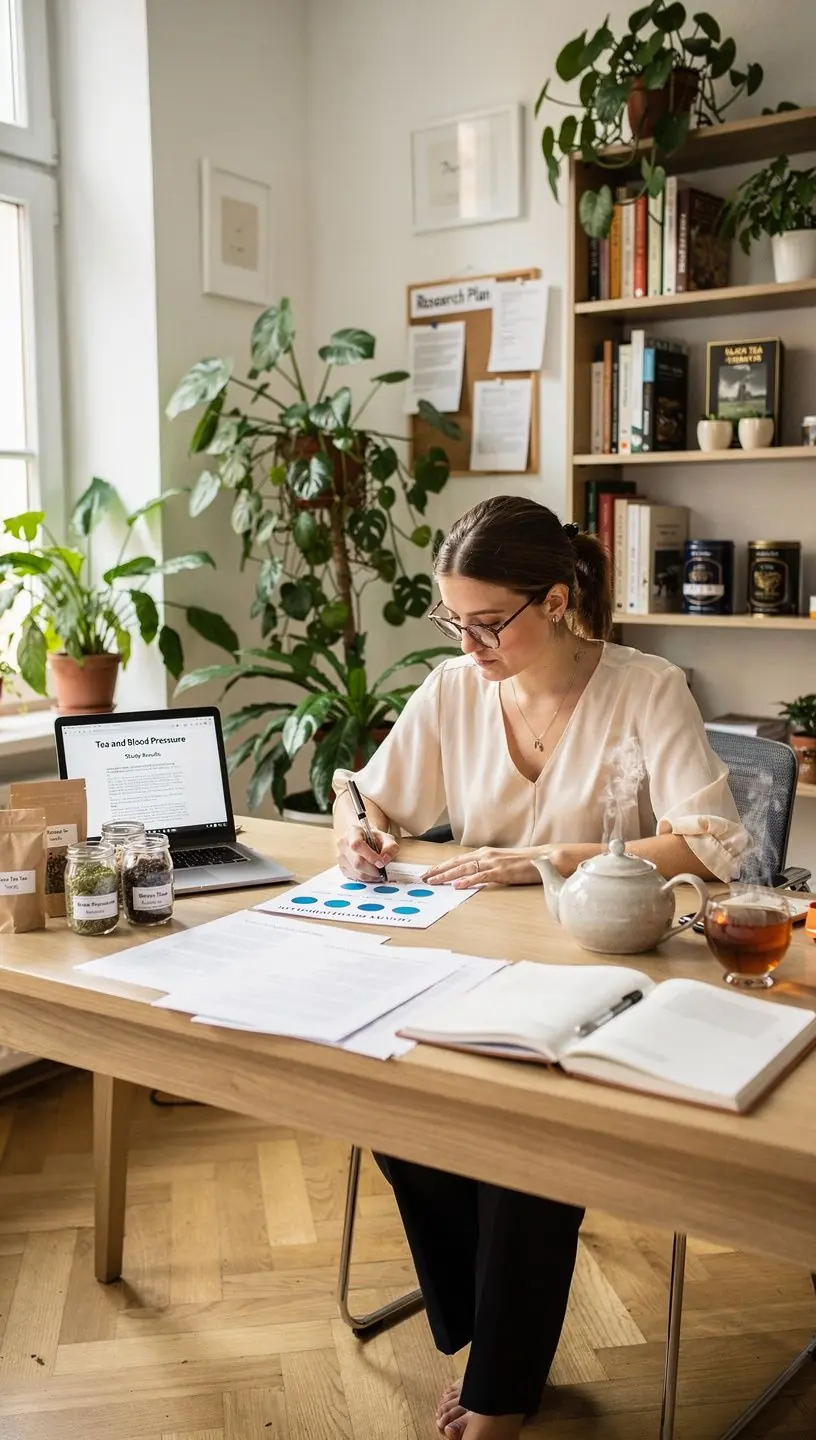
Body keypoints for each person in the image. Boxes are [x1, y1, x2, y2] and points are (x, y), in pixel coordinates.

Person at [331, 496, 749, 1440]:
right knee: (391, 1100)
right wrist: (359, 830)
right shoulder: (452, 689)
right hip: (471, 966)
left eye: (488, 622)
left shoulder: (647, 688)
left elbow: (710, 845)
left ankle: (501, 1384)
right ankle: (491, 1331)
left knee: (527, 1131)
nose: (468, 644)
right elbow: (368, 793)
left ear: (556, 601)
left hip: (607, 969)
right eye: (453, 621)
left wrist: (547, 858)